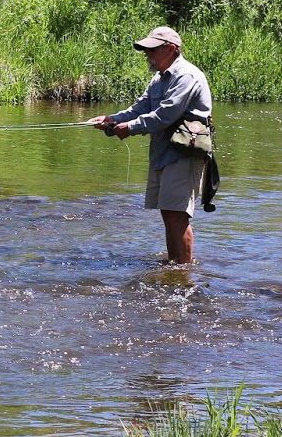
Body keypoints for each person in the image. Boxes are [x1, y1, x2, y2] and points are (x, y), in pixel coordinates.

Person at [91, 26, 213, 265]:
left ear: (170, 49)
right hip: (163, 154)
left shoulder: (187, 75)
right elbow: (139, 109)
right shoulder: (158, 78)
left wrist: (130, 128)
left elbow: (165, 115)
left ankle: (183, 274)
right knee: (168, 213)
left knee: (178, 216)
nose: (147, 54)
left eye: (152, 49)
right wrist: (112, 119)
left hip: (183, 154)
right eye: (146, 50)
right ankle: (174, 267)